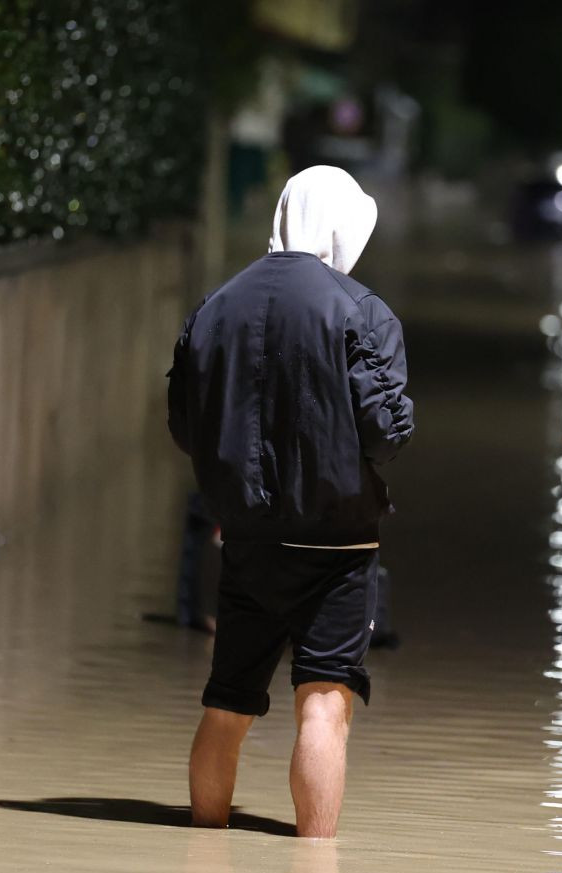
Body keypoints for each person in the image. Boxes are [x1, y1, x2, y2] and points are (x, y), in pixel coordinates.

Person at [166, 165, 414, 837]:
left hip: (244, 538)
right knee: (324, 706)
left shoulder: (214, 308)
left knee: (227, 703)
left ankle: (204, 856)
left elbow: (185, 429)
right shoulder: (362, 311)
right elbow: (386, 434)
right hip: (337, 545)